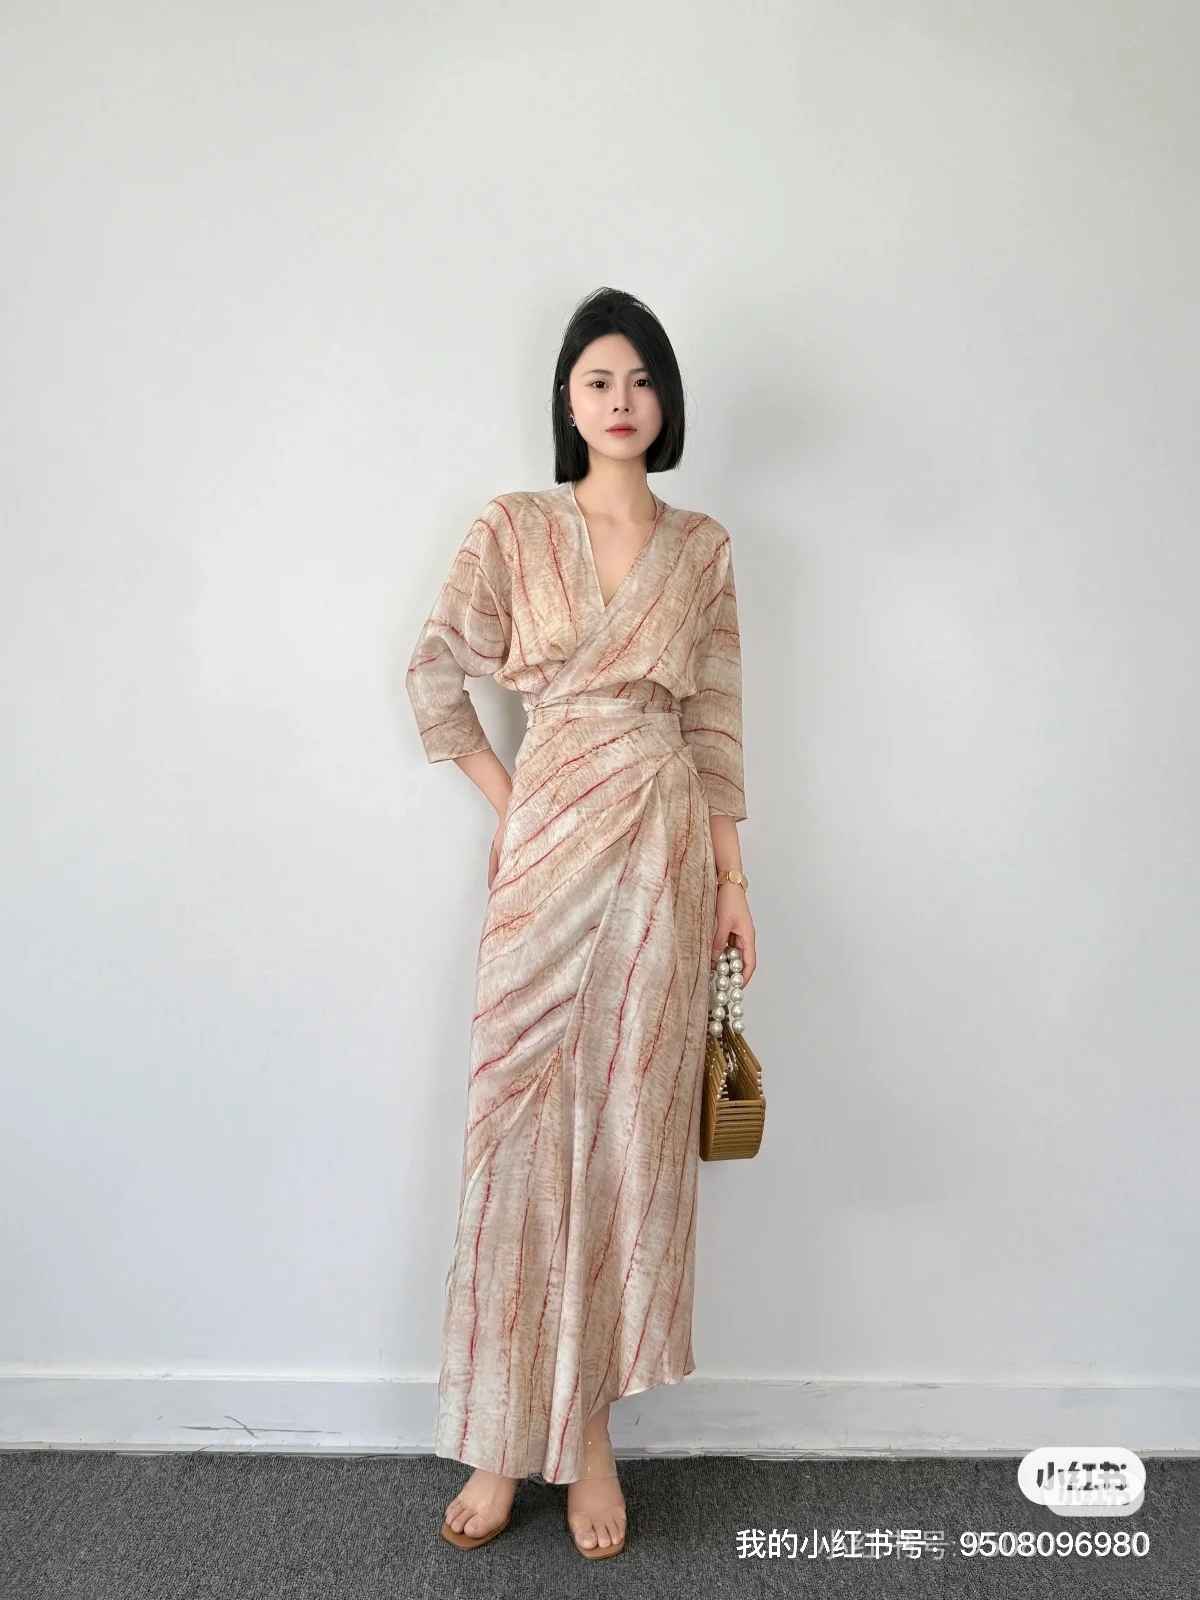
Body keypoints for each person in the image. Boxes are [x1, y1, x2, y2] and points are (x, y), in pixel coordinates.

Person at [405, 286, 755, 1559]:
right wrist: (515, 806)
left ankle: (592, 1435)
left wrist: (733, 882)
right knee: (511, 1135)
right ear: (568, 397)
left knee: (623, 1132)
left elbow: (714, 721)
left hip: (660, 856)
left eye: (643, 380)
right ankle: (501, 1439)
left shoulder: (703, 547)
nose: (622, 399)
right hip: (548, 851)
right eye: (601, 379)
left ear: (666, 402)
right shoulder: (514, 526)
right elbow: (433, 668)